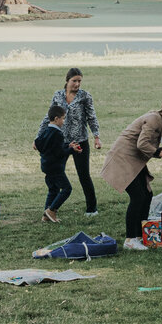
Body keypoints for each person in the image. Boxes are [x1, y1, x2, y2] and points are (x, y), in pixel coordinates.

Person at [101, 95, 162, 251]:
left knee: (147, 194)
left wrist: (161, 151)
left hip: (133, 161)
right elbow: (142, 144)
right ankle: (130, 239)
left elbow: (146, 147)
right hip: (123, 159)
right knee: (138, 196)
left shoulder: (160, 119)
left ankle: (141, 235)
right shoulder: (154, 119)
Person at [52, 67, 101, 220]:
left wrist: (96, 136)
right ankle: (51, 209)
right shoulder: (58, 95)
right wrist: (39, 137)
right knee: (56, 173)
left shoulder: (85, 96)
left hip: (80, 142)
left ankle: (92, 208)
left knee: (84, 175)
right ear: (67, 81)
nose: (77, 84)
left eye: (80, 81)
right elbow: (49, 117)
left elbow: (91, 117)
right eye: (74, 81)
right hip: (62, 142)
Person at [34, 101, 73, 223]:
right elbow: (59, 153)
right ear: (56, 119)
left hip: (46, 165)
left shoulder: (46, 131)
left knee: (53, 190)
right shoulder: (57, 134)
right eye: (63, 119)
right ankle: (52, 210)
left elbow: (39, 144)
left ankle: (46, 216)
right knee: (67, 189)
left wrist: (67, 145)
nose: (64, 121)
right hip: (56, 168)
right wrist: (71, 149)